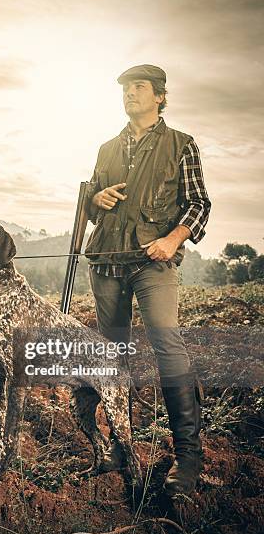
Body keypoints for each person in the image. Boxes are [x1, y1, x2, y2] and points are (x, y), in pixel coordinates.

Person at [83, 64, 211, 496]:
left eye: (140, 87)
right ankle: (119, 446)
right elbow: (93, 206)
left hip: (153, 262)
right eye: (125, 88)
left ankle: (187, 457)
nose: (130, 94)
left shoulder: (181, 145)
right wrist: (95, 199)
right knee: (113, 352)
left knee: (167, 345)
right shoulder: (106, 148)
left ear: (159, 96)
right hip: (107, 261)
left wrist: (173, 239)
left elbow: (198, 204)